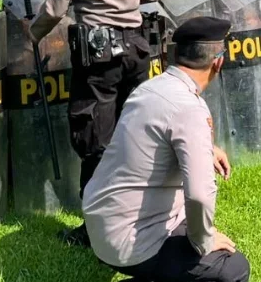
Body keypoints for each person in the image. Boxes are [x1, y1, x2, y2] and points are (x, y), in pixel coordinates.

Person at [26, 0, 161, 246]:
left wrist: (31, 35)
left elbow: (54, 10)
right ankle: (139, 210)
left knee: (95, 140)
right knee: (135, 131)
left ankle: (95, 229)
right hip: (137, 48)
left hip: (98, 54)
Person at [83, 16, 249, 282]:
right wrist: (203, 242)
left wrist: (205, 147)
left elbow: (157, 140)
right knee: (233, 269)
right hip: (129, 243)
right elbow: (199, 196)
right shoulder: (189, 108)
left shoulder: (150, 88)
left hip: (102, 227)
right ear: (218, 61)